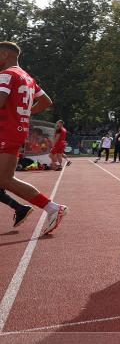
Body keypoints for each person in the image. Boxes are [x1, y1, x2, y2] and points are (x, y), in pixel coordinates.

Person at [0, 41, 67, 235]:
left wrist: (17, 113)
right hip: (16, 130)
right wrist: (25, 113)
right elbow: (46, 101)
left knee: (5, 179)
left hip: (6, 132)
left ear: (4, 54)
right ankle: (40, 207)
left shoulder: (6, 75)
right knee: (4, 179)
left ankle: (52, 207)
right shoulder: (27, 78)